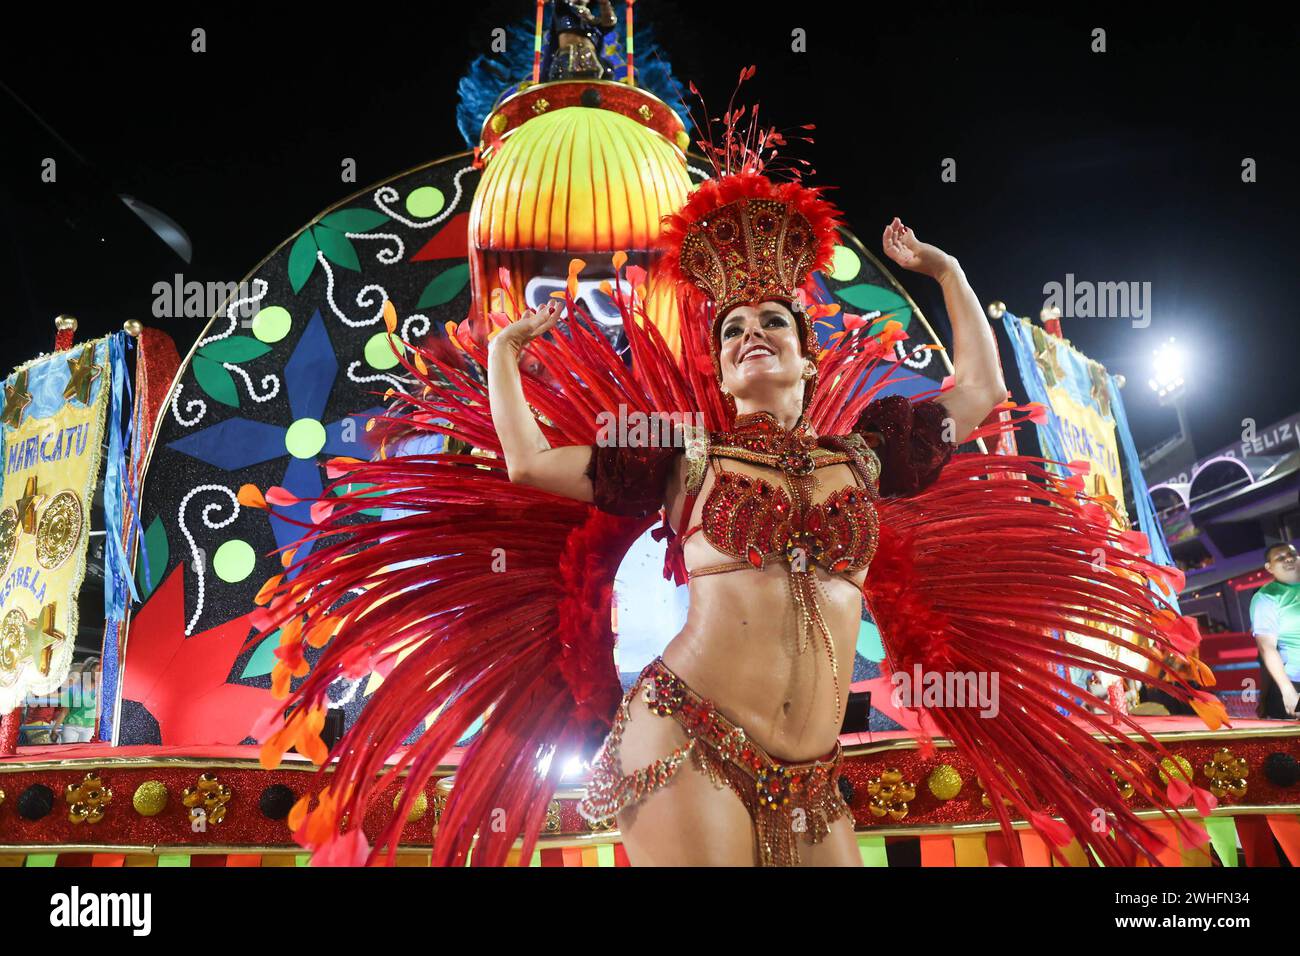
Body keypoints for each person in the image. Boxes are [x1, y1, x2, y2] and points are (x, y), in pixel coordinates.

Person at [253, 112, 1223, 868]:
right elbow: (530, 465)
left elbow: (980, 392)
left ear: (806, 356)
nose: (749, 333)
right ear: (719, 368)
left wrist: (949, 270)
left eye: (771, 322)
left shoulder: (871, 454)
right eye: (729, 331)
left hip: (812, 769)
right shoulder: (683, 457)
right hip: (685, 734)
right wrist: (505, 357)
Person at [1251, 542, 1300, 718]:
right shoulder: (1266, 597)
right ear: (1269, 567)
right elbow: (1267, 648)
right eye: (1280, 557)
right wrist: (1287, 691)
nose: (1288, 558)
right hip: (1296, 681)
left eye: (1292, 554)